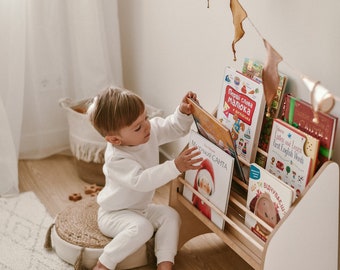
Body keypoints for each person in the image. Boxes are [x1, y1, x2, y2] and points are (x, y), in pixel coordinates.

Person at [87, 87, 202, 270]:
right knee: (143, 228)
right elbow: (141, 181)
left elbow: (174, 128)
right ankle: (104, 263)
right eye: (138, 127)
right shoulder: (116, 158)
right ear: (115, 140)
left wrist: (182, 112)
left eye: (146, 117)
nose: (147, 126)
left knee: (171, 216)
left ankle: (165, 264)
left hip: (140, 209)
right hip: (114, 214)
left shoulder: (147, 131)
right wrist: (175, 166)